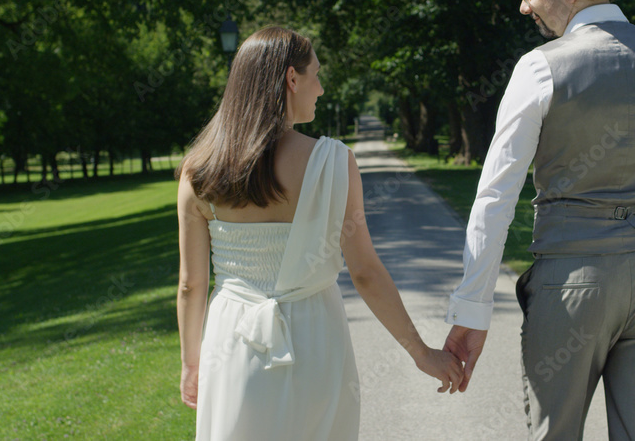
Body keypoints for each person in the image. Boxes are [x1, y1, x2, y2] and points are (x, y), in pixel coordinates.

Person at [443, 0, 635, 440]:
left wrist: (472, 310)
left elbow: (496, 195)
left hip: (572, 288)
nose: (524, 7)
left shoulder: (540, 68)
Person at [175, 26, 463, 440]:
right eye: (316, 75)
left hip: (231, 341)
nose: (321, 88)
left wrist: (191, 364)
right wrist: (421, 352)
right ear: (292, 79)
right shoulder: (333, 161)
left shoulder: (197, 170)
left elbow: (191, 285)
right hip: (315, 336)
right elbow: (364, 271)